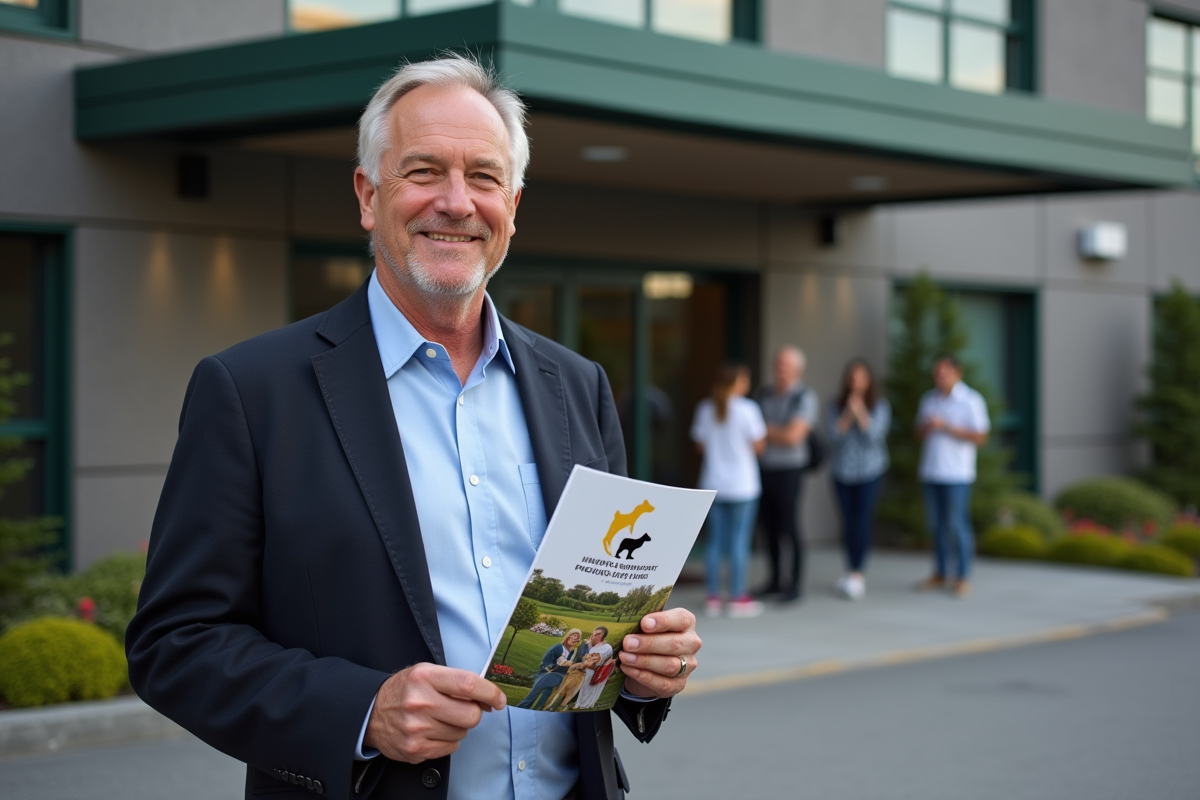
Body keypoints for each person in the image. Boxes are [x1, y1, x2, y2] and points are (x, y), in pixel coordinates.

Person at [125, 54, 700, 800]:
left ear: (513, 206)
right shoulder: (250, 391)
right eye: (424, 171)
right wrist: (361, 711)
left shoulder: (577, 386)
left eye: (484, 177)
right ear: (369, 196)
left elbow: (597, 625)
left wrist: (648, 671)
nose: (457, 203)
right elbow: (175, 643)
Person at [691, 363, 767, 618]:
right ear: (737, 382)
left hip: (713, 483)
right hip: (742, 485)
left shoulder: (705, 408)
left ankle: (713, 597)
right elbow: (759, 446)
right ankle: (737, 596)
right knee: (739, 541)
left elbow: (700, 446)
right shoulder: (748, 409)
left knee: (715, 542)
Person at [915, 355, 990, 598]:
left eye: (944, 373)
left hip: (957, 473)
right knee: (935, 525)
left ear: (957, 374)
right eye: (936, 373)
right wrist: (928, 426)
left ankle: (962, 576)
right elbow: (918, 434)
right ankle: (940, 572)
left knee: (957, 525)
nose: (939, 377)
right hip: (931, 471)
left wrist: (946, 426)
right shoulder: (929, 399)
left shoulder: (971, 400)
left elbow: (981, 437)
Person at [755, 346, 819, 602]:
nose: (779, 368)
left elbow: (794, 437)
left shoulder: (804, 396)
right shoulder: (765, 395)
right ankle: (774, 580)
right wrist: (775, 431)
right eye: (777, 363)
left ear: (797, 369)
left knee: (789, 526)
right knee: (767, 528)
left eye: (784, 364)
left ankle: (793, 584)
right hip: (764, 469)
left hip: (790, 470)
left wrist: (766, 430)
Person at [826, 359, 891, 600]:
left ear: (869, 381)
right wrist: (846, 415)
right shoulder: (836, 405)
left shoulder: (879, 405)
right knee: (847, 521)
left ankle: (858, 572)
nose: (855, 382)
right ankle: (849, 569)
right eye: (852, 377)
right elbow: (832, 437)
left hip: (869, 472)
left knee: (862, 520)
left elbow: (875, 437)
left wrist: (861, 412)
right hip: (842, 472)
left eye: (860, 377)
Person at [518, 628, 583, 710]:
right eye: (574, 636)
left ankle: (537, 709)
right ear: (568, 636)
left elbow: (566, 665)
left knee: (546, 694)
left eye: (577, 640)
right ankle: (522, 708)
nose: (575, 640)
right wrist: (572, 665)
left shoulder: (572, 652)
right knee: (533, 695)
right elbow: (557, 662)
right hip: (546, 673)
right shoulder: (558, 647)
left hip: (557, 675)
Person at [572, 627, 614, 710]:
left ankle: (583, 704)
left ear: (603, 635)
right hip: (587, 671)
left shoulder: (607, 647)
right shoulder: (593, 647)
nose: (594, 636)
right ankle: (579, 704)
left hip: (596, 672)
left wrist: (583, 664)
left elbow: (596, 662)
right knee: (583, 688)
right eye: (594, 634)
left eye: (598, 634)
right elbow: (586, 659)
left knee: (589, 688)